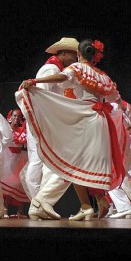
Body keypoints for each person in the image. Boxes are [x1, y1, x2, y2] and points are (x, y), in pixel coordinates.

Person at [18, 38, 124, 220]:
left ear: (79, 54)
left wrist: (36, 80)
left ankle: (42, 201)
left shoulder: (79, 68)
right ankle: (88, 205)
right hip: (101, 120)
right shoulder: (103, 76)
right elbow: (116, 98)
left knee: (73, 160)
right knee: (82, 162)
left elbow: (63, 78)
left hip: (85, 117)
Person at [20, 37, 79, 201]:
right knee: (39, 161)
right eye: (73, 54)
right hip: (42, 119)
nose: (75, 58)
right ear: (64, 53)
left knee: (42, 161)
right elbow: (42, 97)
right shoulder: (51, 69)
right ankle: (38, 201)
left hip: (45, 119)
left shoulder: (55, 68)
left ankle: (39, 202)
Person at [1, 108, 29, 218]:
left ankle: (20, 210)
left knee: (20, 183)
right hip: (8, 157)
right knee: (10, 182)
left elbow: (24, 142)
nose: (16, 118)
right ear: (10, 116)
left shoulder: (22, 130)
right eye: (14, 116)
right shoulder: (6, 129)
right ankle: (5, 207)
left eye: (19, 116)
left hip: (19, 158)